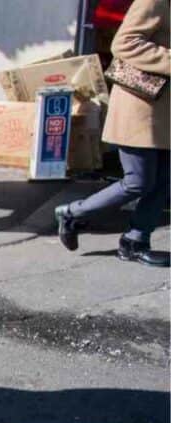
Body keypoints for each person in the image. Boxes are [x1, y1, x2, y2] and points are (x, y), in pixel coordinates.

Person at [54, 0, 170, 268]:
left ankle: (135, 241)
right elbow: (124, 44)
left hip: (165, 110)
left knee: (163, 181)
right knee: (137, 181)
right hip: (140, 107)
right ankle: (72, 214)